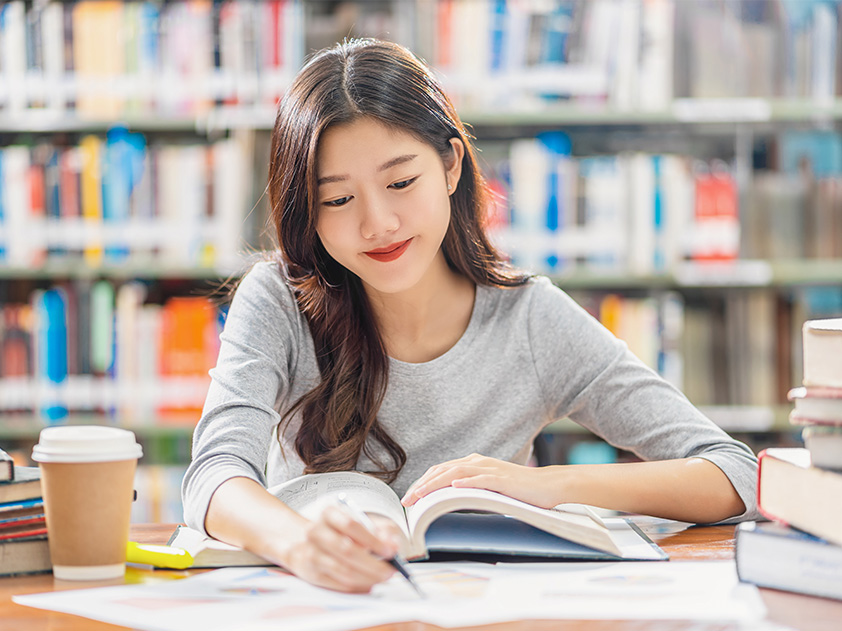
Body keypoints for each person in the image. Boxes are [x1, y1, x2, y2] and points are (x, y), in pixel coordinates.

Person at [182, 38, 759, 594]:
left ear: (451, 166)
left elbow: (732, 472)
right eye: (337, 199)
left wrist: (544, 487)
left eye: (401, 182)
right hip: (326, 602)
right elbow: (213, 477)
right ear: (307, 209)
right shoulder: (277, 300)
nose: (377, 223)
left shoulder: (530, 319)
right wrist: (298, 542)